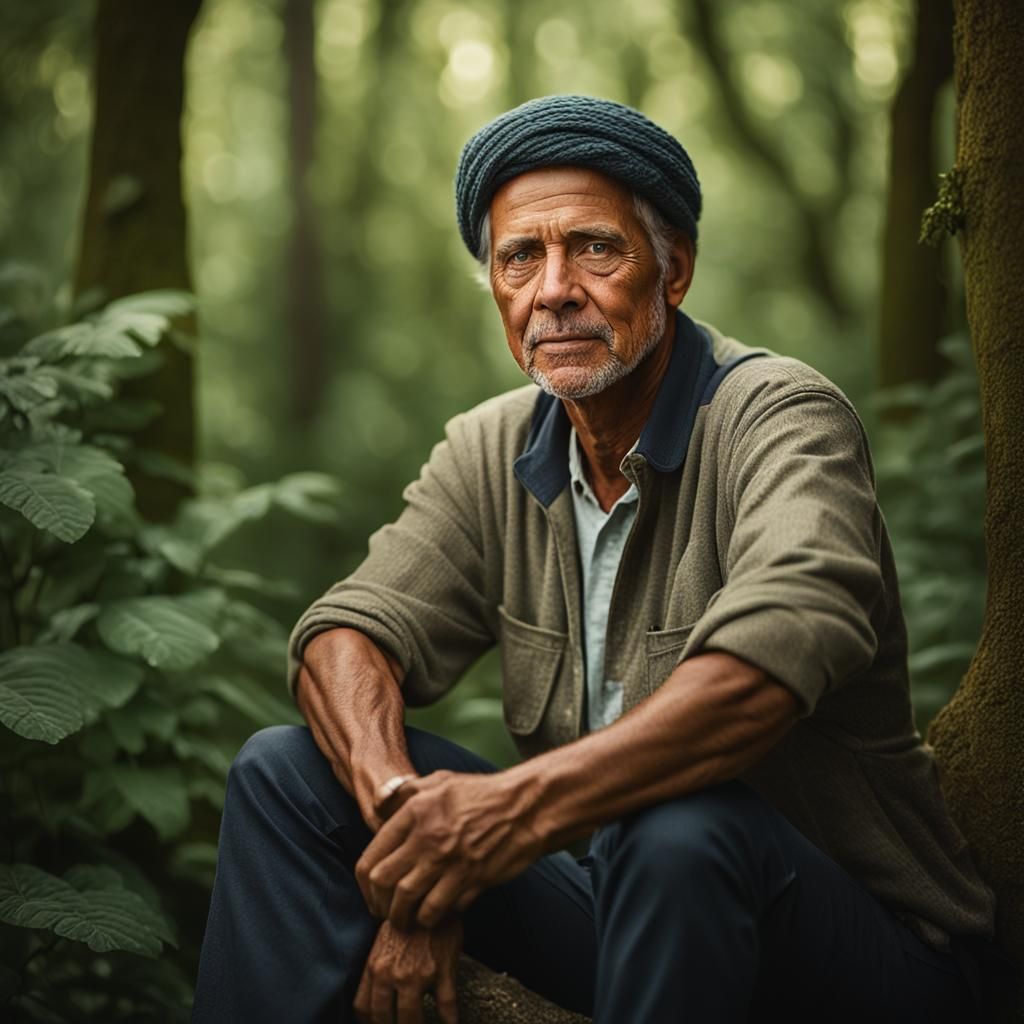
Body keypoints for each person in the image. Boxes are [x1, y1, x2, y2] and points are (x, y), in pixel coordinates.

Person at [192, 96, 997, 1024]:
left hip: (866, 956)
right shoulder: (490, 447)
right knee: (280, 773)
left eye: (596, 249)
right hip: (631, 912)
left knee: (679, 830)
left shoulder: (780, 415)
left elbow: (780, 647)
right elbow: (348, 631)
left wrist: (510, 817)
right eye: (520, 257)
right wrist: (410, 830)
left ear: (675, 271)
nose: (554, 288)